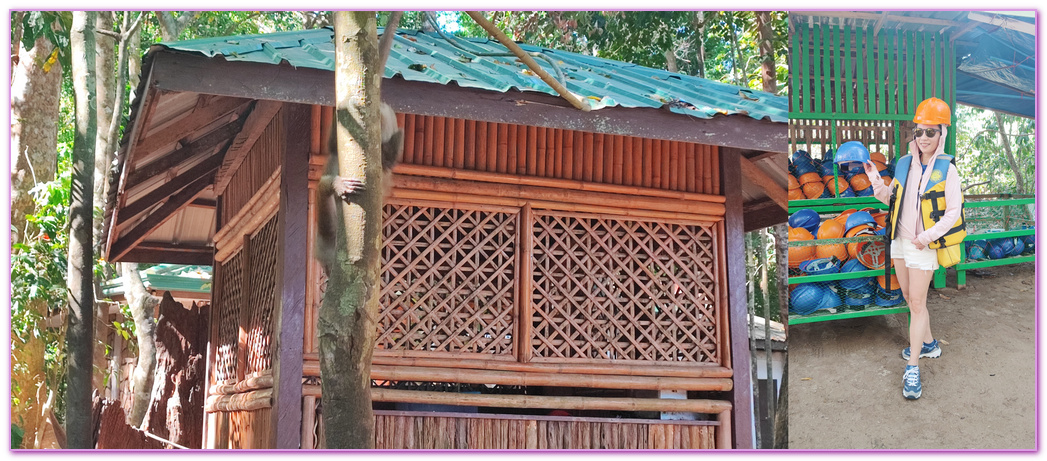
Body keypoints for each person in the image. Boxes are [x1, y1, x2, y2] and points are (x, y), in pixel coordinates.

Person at [863, 97, 963, 400]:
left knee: (917, 304)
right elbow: (890, 199)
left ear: (942, 133)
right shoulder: (905, 163)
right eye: (918, 132)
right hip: (899, 242)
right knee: (909, 297)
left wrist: (927, 237)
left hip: (923, 244)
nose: (923, 138)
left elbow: (953, 213)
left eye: (930, 132)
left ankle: (913, 366)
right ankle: (930, 344)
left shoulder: (948, 170)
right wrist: (873, 177)